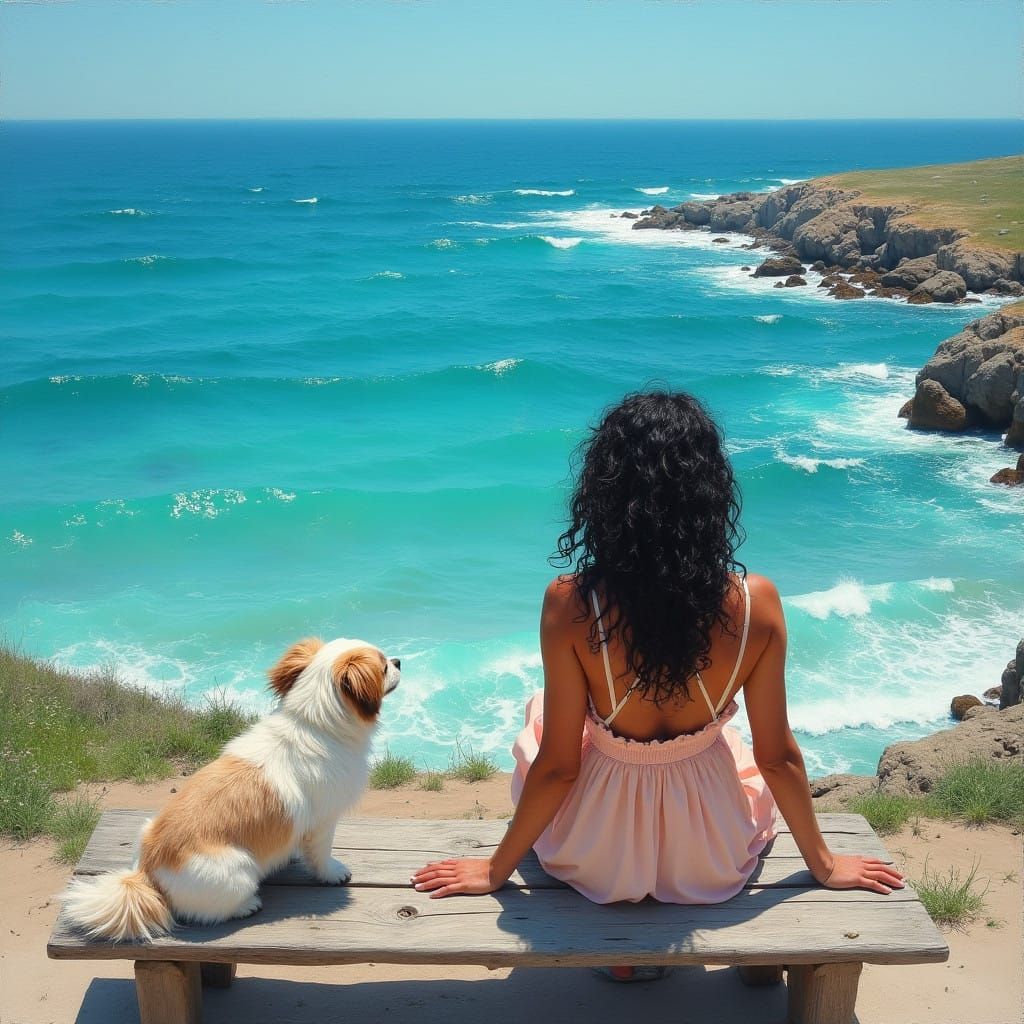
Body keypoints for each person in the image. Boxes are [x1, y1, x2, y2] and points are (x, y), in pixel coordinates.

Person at [411, 390, 904, 980]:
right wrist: (822, 865)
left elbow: (559, 766)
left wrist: (495, 870)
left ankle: (623, 947)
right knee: (733, 748)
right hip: (708, 856)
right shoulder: (758, 604)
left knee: (544, 716)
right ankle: (680, 935)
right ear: (710, 494)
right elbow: (780, 757)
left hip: (599, 857)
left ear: (605, 494)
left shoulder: (572, 604)